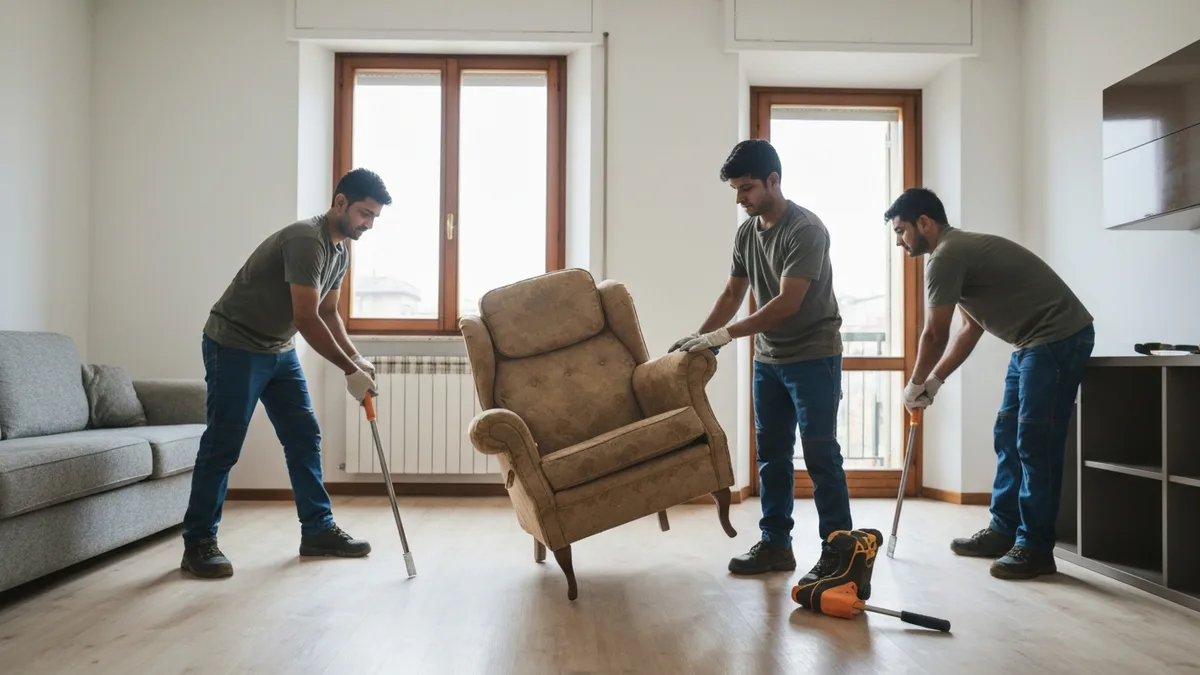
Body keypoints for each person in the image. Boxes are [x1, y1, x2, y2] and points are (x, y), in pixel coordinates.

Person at [180, 168, 392, 579]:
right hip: (234, 344)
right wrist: (348, 369)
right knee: (224, 442)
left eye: (375, 218)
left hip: (278, 349)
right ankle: (198, 543)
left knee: (303, 434)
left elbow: (330, 313)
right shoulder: (305, 240)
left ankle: (317, 531)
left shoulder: (340, 251)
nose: (368, 224)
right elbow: (306, 317)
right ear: (341, 202)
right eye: (365, 214)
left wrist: (357, 359)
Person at [672, 139, 855, 589]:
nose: (740, 198)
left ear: (774, 180)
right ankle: (776, 544)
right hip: (769, 361)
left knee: (820, 455)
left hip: (814, 357)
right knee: (771, 457)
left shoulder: (806, 230)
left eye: (747, 188)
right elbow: (733, 293)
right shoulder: (746, 233)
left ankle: (840, 553)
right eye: (736, 189)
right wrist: (702, 337)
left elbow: (786, 303)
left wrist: (725, 336)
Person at [887, 187, 1095, 580]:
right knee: (1007, 434)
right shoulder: (955, 255)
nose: (899, 241)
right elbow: (969, 330)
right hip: (1031, 344)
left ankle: (1035, 548)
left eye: (901, 231)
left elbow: (935, 334)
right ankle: (1003, 531)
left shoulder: (946, 256)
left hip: (1057, 338)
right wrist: (933, 382)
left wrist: (914, 383)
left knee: (1035, 442)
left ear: (925, 222)